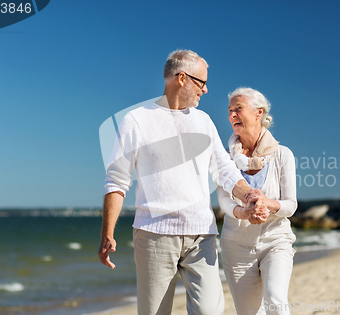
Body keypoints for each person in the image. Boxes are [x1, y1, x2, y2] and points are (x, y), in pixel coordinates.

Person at [98, 50, 270, 315]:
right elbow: (117, 179)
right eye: (201, 83)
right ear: (181, 79)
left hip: (201, 235)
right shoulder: (137, 120)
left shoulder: (204, 121)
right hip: (154, 236)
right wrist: (107, 233)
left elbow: (223, 169)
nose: (205, 90)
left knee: (210, 312)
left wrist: (248, 195)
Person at [216, 87, 297, 315]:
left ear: (258, 112)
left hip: (275, 241)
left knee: (275, 301)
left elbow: (290, 205)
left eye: (238, 109)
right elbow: (223, 201)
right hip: (236, 245)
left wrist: (265, 203)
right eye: (230, 110)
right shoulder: (224, 157)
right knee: (249, 312)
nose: (232, 115)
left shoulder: (283, 155)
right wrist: (244, 213)